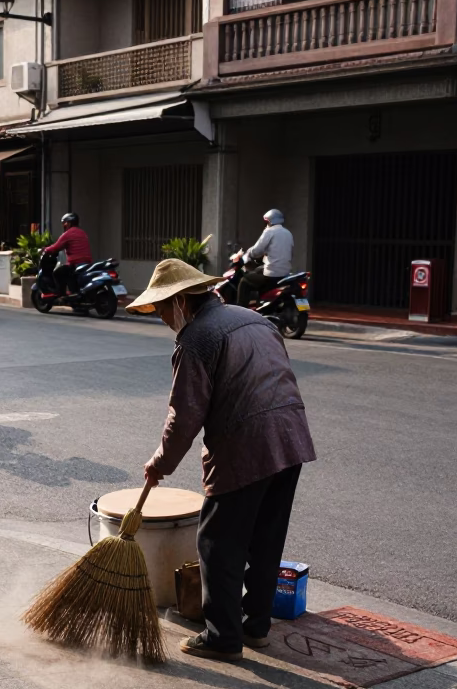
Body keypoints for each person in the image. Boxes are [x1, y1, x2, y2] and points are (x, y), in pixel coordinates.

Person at [127, 259, 317, 662]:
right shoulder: (254, 319)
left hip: (246, 446)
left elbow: (185, 414)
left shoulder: (197, 339)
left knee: (216, 542)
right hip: (291, 437)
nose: (162, 319)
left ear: (180, 300)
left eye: (161, 309)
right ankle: (256, 626)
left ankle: (223, 636)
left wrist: (160, 461)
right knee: (266, 538)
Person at [236, 209, 295, 308]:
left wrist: (247, 255)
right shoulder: (288, 233)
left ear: (269, 221)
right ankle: (261, 302)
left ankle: (240, 311)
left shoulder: (269, 231)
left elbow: (257, 250)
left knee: (244, 281)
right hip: (285, 274)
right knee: (259, 270)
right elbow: (290, 253)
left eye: (266, 221)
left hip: (272, 275)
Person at [44, 213, 92, 295]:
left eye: (64, 223)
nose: (64, 226)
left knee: (58, 272)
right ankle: (73, 291)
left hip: (76, 263)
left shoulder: (68, 234)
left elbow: (56, 247)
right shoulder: (82, 233)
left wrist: (45, 250)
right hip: (87, 262)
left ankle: (61, 293)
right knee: (68, 272)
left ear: (69, 223)